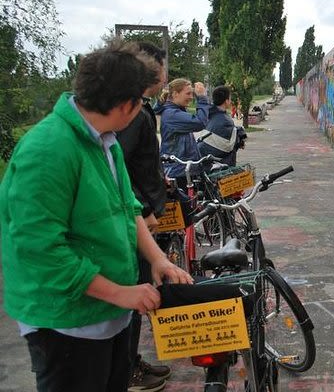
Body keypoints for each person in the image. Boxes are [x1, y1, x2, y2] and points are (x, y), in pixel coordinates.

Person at [0, 40, 193, 392]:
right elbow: (41, 251)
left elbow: (126, 207)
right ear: (126, 105)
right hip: (67, 326)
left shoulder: (105, 140)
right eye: (142, 102)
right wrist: (120, 293)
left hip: (109, 316)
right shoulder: (48, 151)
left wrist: (157, 259)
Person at [115, 42, 172, 391]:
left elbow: (134, 162)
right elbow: (117, 168)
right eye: (164, 67)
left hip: (139, 213)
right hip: (136, 217)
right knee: (135, 292)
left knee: (139, 287)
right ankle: (127, 368)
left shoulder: (139, 110)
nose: (165, 75)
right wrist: (145, 208)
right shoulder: (131, 113)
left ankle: (129, 362)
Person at [155, 78, 211, 189]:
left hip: (185, 170)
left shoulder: (177, 110)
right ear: (175, 94)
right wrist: (202, 98)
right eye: (188, 93)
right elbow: (200, 122)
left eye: (192, 94)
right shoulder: (172, 114)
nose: (191, 97)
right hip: (178, 172)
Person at [197, 85, 247, 167]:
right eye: (230, 99)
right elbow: (228, 145)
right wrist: (240, 139)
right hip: (212, 162)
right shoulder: (225, 120)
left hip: (201, 155)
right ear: (226, 101)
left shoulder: (210, 113)